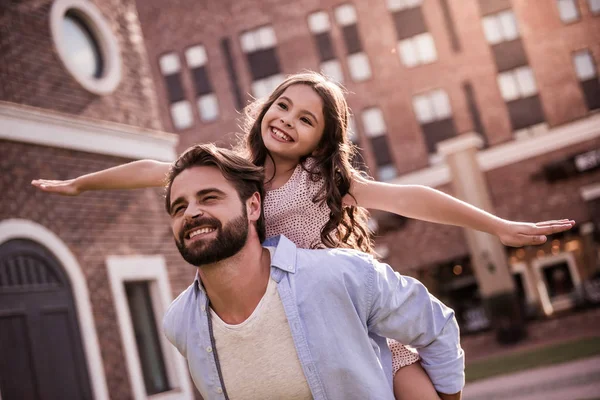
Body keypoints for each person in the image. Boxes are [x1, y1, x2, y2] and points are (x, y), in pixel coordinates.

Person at [32, 72, 574, 398]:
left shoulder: (326, 181)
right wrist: (80, 186)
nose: (287, 119)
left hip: (345, 313)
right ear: (265, 109)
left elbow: (414, 198)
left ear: (320, 143)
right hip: (276, 317)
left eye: (306, 119)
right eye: (282, 105)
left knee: (413, 390)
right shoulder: (236, 171)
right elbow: (155, 168)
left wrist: (500, 226)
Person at [162, 143, 464, 399]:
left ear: (253, 206)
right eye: (179, 207)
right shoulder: (181, 323)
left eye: (209, 197)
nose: (191, 213)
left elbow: (437, 328)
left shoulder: (340, 275)